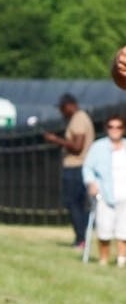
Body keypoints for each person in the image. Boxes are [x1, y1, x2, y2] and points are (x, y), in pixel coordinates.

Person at [44, 93, 94, 250]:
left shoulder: (79, 119)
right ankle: (82, 237)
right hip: (77, 167)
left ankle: (81, 238)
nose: (61, 112)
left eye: (62, 108)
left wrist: (55, 140)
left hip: (76, 167)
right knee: (77, 204)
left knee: (73, 203)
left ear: (71, 105)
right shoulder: (78, 118)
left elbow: (78, 147)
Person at [82, 115, 126, 267]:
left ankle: (121, 260)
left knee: (123, 230)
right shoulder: (98, 147)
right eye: (111, 127)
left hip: (124, 194)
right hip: (105, 194)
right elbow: (88, 168)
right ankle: (104, 259)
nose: (115, 130)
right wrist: (91, 183)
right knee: (104, 229)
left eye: (118, 127)